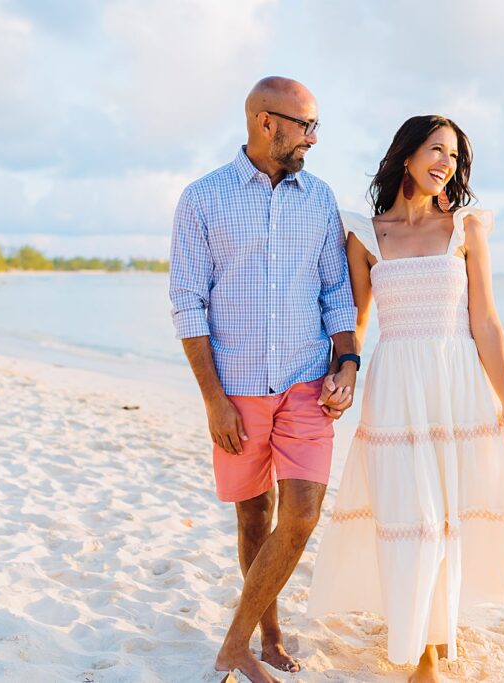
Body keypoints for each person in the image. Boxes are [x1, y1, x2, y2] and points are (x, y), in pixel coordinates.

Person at [307, 115, 504, 682]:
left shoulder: (465, 228)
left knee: (447, 521)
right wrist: (346, 374)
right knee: (412, 519)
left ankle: (431, 648)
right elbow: (355, 325)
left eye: (455, 157)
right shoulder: (366, 234)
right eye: (436, 150)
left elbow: (484, 319)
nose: (446, 164)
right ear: (406, 155)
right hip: (396, 390)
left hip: (457, 385)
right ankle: (419, 645)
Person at [169, 76, 358, 683]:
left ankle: (232, 645)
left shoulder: (320, 198)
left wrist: (348, 362)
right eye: (305, 126)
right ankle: (265, 635)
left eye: (315, 127)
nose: (312, 138)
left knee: (302, 513)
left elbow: (337, 291)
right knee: (254, 519)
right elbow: (188, 305)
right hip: (238, 389)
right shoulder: (202, 199)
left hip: (307, 382)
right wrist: (213, 402)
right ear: (264, 122)